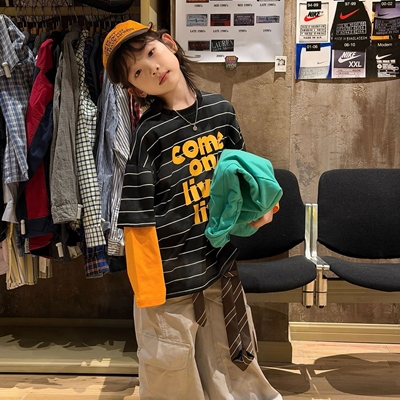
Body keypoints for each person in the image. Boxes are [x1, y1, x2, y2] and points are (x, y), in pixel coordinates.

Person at [102, 20, 283, 400]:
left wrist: (263, 208)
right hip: (169, 272)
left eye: (151, 52)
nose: (152, 67)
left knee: (232, 355)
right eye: (137, 71)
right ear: (135, 89)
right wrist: (147, 289)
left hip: (218, 260)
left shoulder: (221, 110)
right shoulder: (150, 132)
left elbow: (247, 173)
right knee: (170, 367)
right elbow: (137, 213)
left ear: (169, 44)